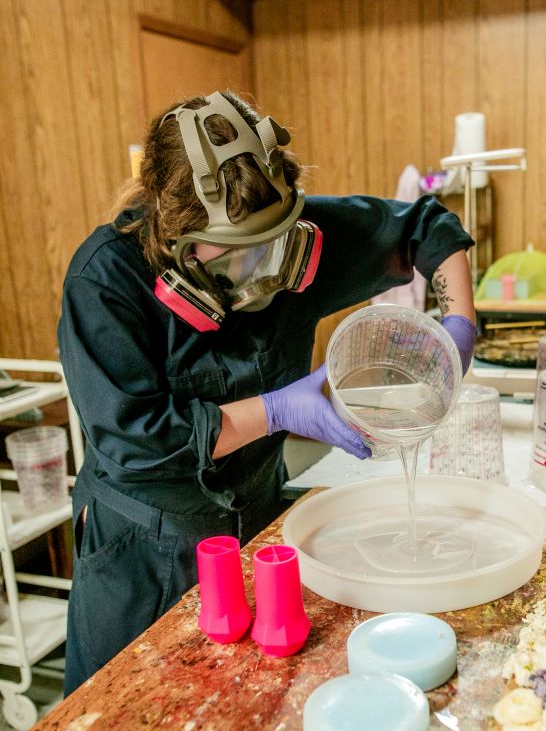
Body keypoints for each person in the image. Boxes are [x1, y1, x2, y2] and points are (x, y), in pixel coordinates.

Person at [57, 90, 476, 693]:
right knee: (124, 717)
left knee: (250, 709)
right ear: (175, 237)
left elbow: (427, 225)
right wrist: (278, 409)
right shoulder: (106, 280)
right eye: (234, 255)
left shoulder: (288, 232)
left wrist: (457, 326)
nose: (261, 268)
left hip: (256, 522)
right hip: (147, 550)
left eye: (273, 243)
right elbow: (137, 441)